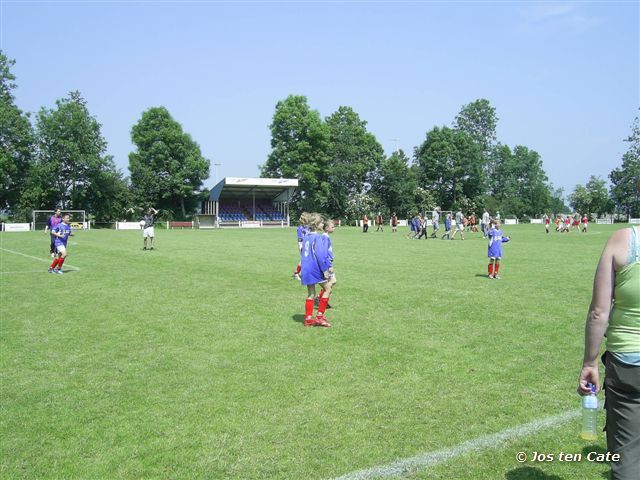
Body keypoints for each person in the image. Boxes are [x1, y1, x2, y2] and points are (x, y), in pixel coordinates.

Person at [578, 226, 639, 479]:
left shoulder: (624, 240)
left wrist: (590, 362)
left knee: (627, 458)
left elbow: (598, 312)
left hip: (628, 365)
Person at [300, 214, 336, 327]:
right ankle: (320, 317)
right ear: (317, 224)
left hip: (306, 269)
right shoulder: (317, 238)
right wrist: (326, 270)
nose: (322, 224)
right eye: (321, 223)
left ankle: (308, 319)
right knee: (328, 289)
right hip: (315, 269)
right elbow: (320, 256)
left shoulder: (306, 236)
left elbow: (302, 253)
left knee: (311, 294)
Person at [293, 212, 310, 281]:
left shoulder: (309, 227)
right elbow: (299, 239)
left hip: (309, 245)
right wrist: (300, 247)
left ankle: (305, 273)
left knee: (307, 260)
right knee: (303, 260)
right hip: (303, 245)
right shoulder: (300, 228)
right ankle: (296, 273)